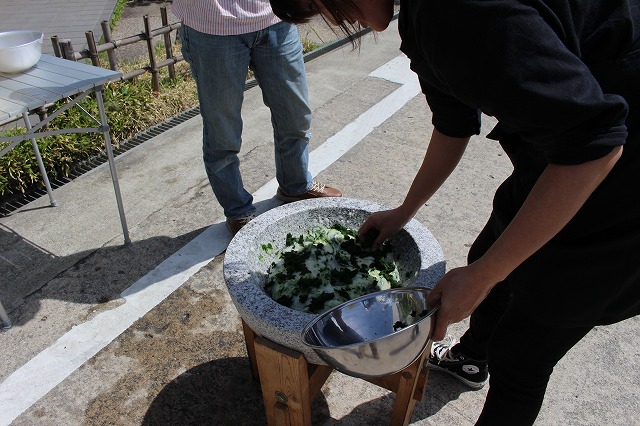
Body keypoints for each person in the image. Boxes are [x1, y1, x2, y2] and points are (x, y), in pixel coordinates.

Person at [267, 0, 640, 424]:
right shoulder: (425, 18)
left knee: (521, 354)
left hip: (622, 177)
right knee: (493, 251)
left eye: (322, 3)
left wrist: (481, 276)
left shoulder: (458, 13)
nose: (335, 20)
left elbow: (596, 144)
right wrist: (405, 211)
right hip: (564, 144)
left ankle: (494, 358)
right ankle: (470, 357)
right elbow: (453, 121)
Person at [172, 0, 342, 236]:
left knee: (296, 116)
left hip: (277, 15)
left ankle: (295, 185)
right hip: (212, 24)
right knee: (223, 131)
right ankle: (238, 209)